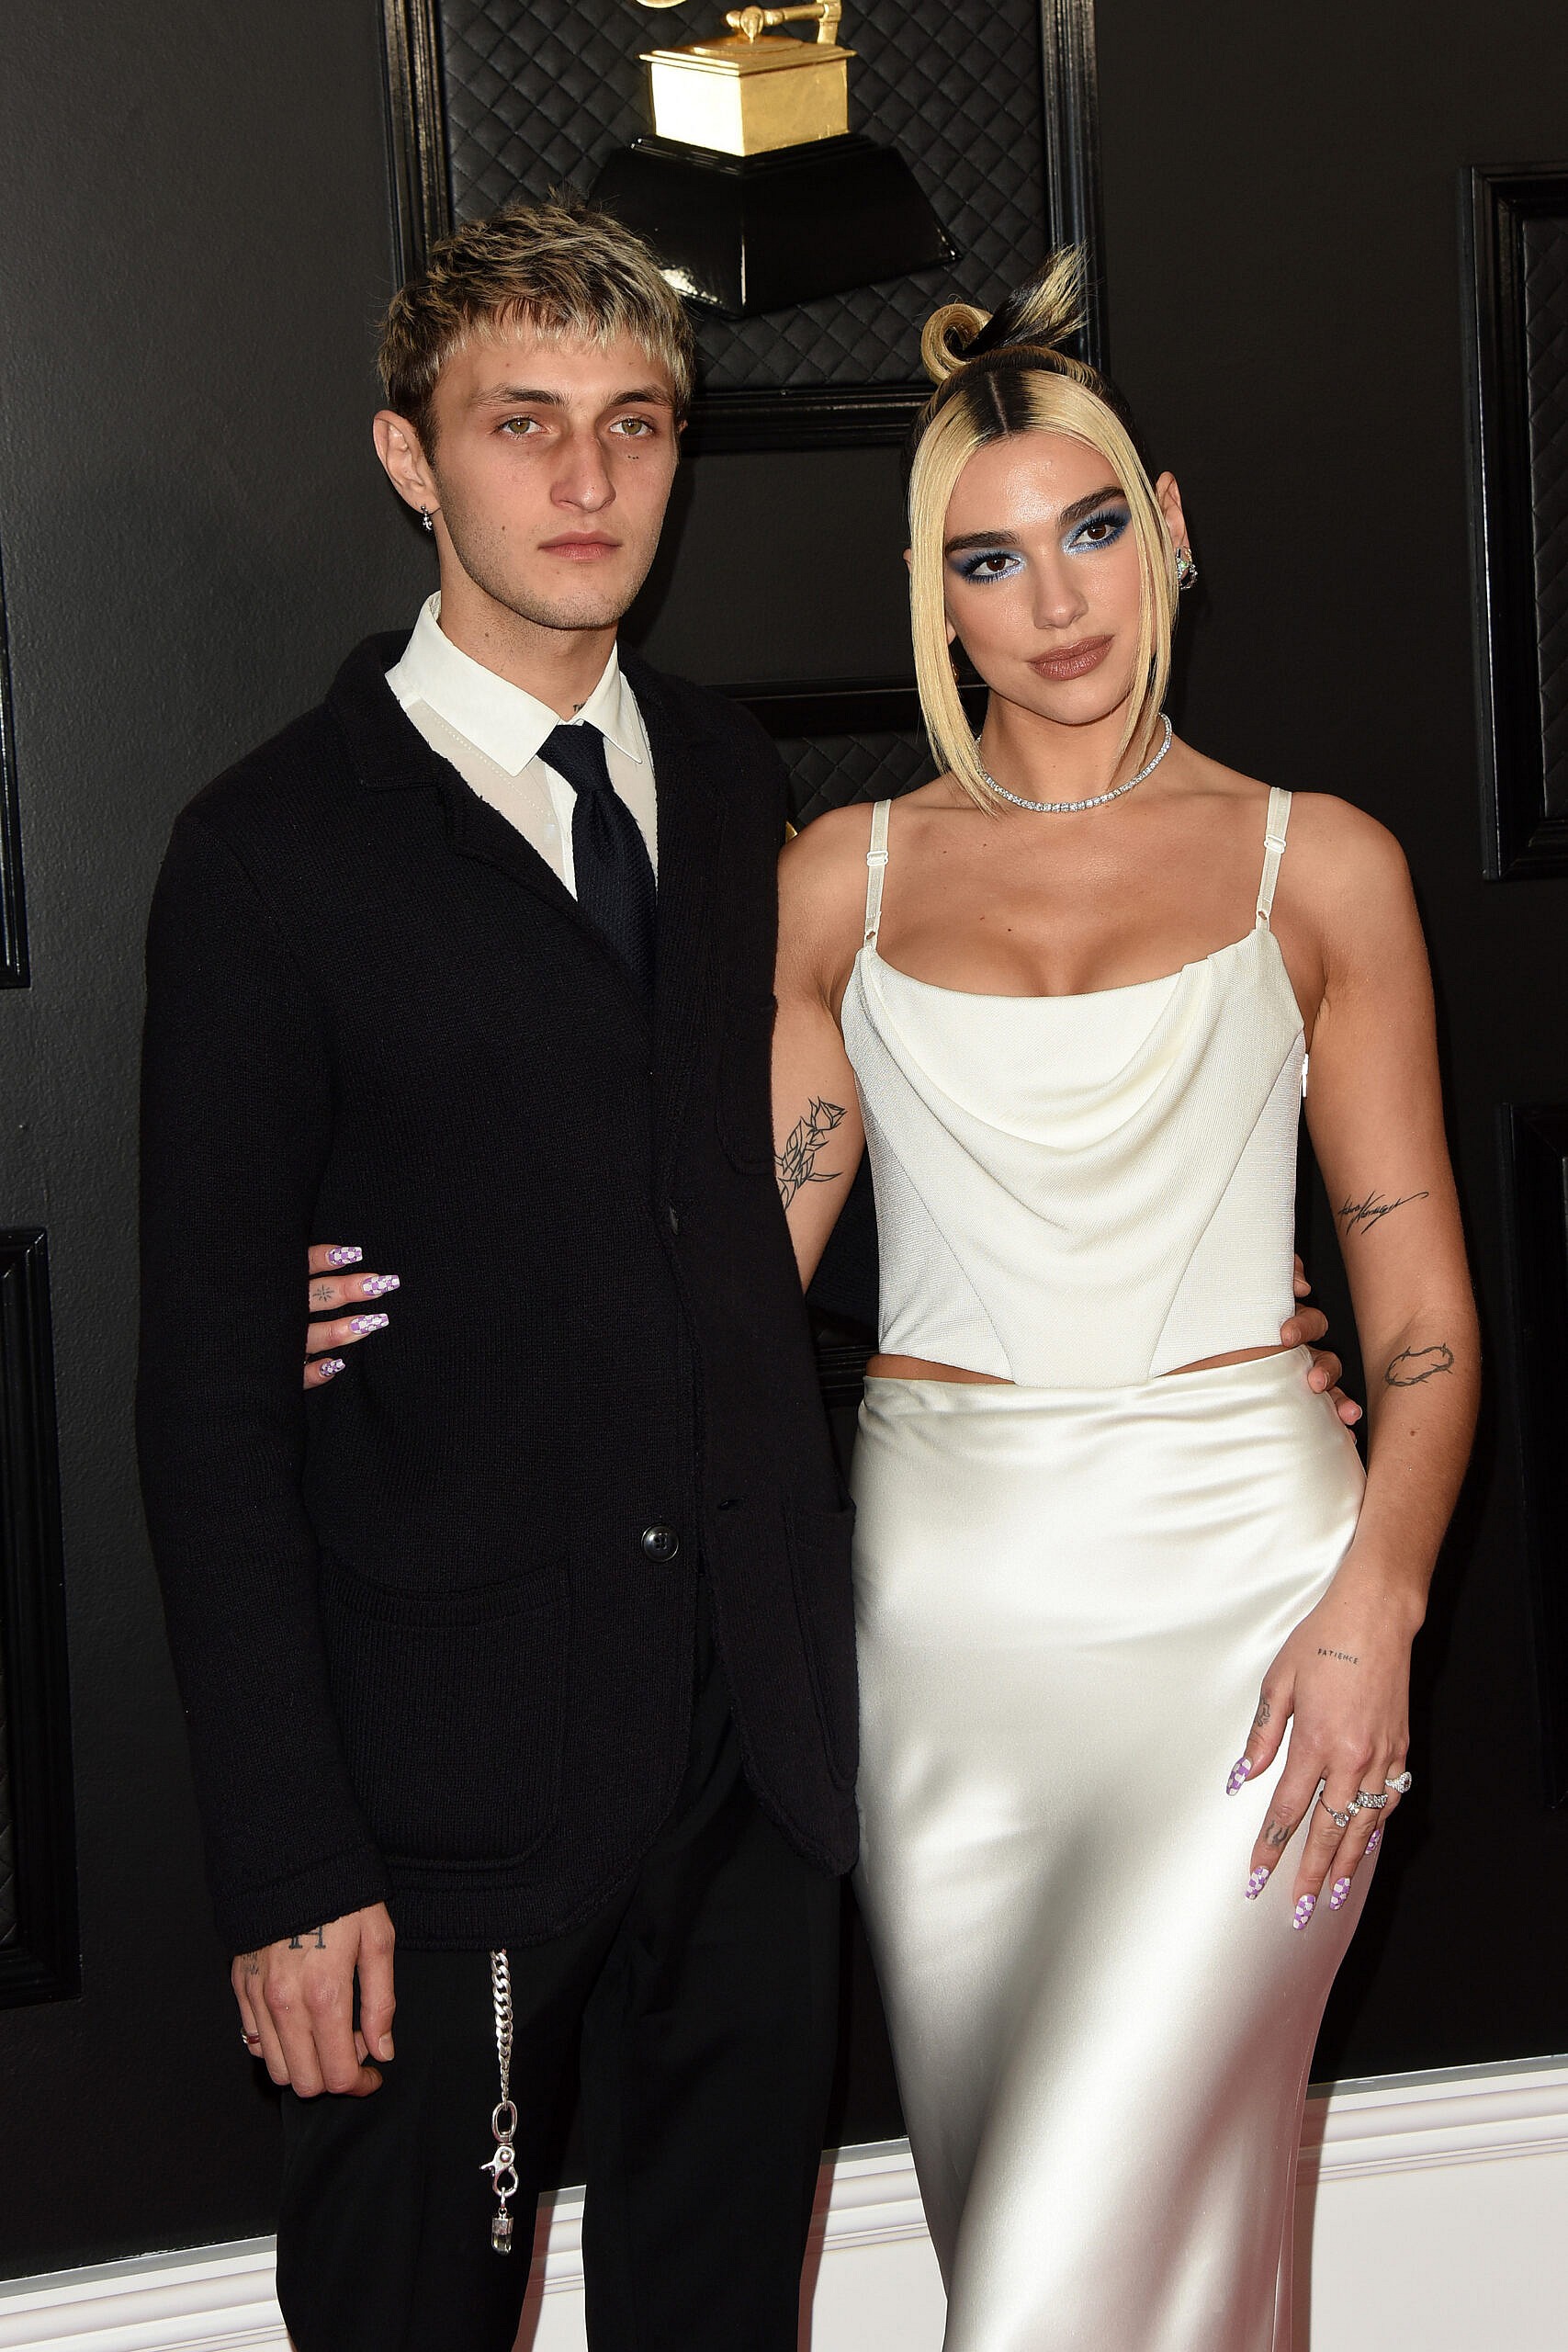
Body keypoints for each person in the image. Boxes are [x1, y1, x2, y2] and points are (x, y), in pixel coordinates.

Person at [136, 197, 857, 2352]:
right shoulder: (268, 848)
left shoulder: (728, 777)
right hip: (434, 1801)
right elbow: (204, 1409)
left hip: (747, 1772)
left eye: (633, 423)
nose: (585, 476)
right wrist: (288, 1862)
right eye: (519, 421)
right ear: (408, 455)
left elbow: (787, 1188)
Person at [769, 254, 1479, 2351]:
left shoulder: (1315, 865)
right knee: (1067, 2241)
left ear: (1165, 525)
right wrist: (370, 1316)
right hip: (948, 1636)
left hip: (1248, 1623)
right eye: (988, 560)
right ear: (937, 602)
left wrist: (1377, 1605)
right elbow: (710, 1284)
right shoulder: (839, 885)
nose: (1055, 601)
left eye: (1089, 531)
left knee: (1064, 2294)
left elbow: (1423, 1324)